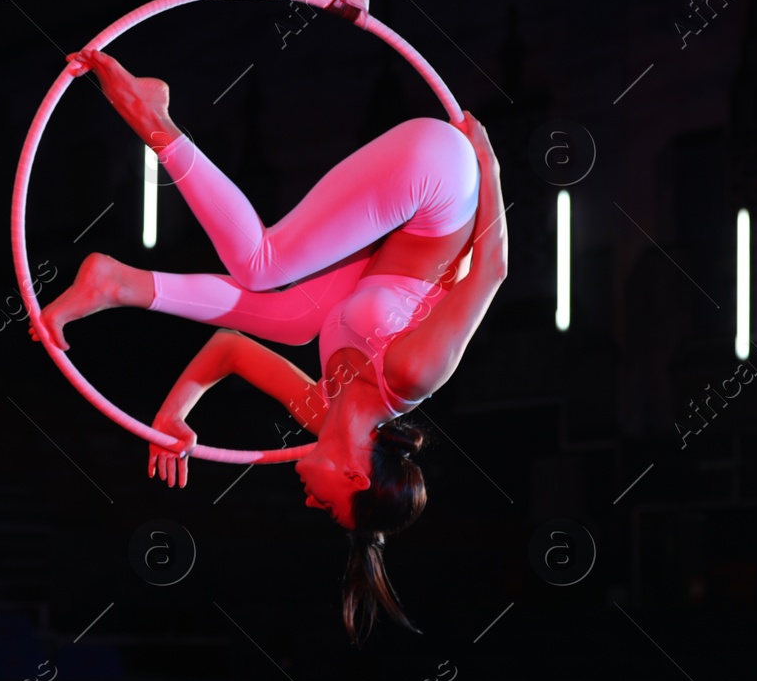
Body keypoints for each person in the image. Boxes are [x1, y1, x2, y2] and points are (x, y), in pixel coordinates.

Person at [37, 50, 508, 639]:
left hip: (392, 233)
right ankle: (149, 114)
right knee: (262, 265)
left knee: (290, 321)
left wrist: (175, 414)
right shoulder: (412, 374)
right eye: (332, 508)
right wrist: (487, 161)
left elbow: (230, 350)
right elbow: (492, 270)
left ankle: (121, 284)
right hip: (442, 185)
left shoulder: (321, 412)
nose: (312, 505)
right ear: (356, 479)